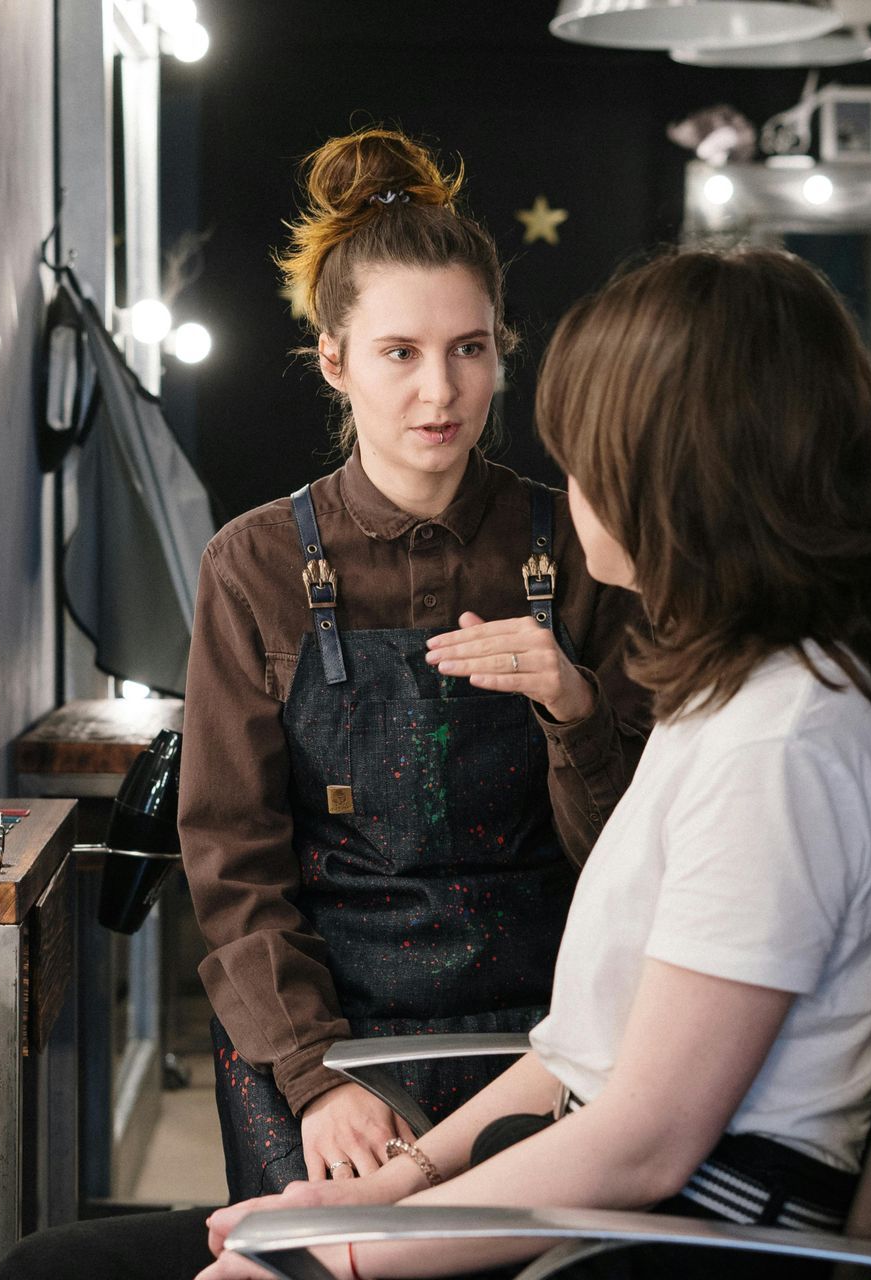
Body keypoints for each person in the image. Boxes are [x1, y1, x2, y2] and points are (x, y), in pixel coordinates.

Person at [0, 245, 871, 1280]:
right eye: (400, 350)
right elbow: (585, 1053)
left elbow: (644, 1141)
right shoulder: (734, 704)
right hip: (571, 1165)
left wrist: (335, 1257)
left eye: (588, 460)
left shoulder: (782, 748)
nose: (565, 489)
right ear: (336, 361)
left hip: (654, 1232)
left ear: (680, 480)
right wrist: (391, 1187)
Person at [181, 125, 650, 1204]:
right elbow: (232, 858)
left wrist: (575, 707)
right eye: (400, 352)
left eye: (470, 348)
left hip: (551, 1024)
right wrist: (311, 1073)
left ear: (502, 349)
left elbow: (637, 856)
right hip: (323, 1028)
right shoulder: (251, 565)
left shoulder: (585, 548)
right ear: (334, 359)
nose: (441, 390)